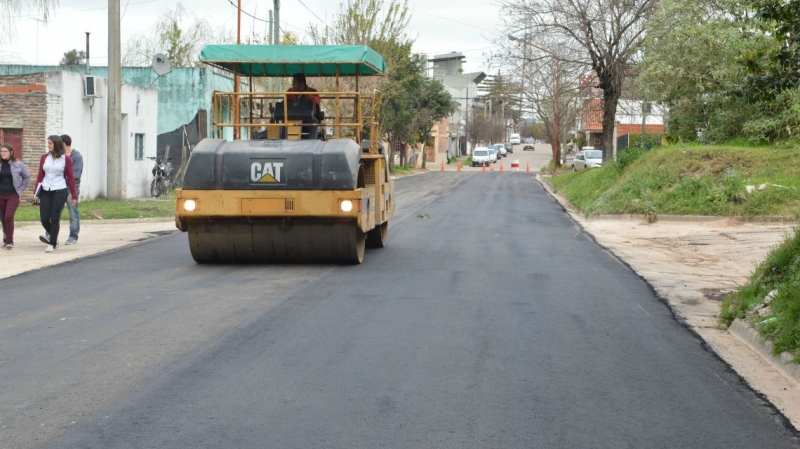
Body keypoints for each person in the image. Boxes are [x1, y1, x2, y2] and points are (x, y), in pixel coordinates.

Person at [32, 135, 78, 253]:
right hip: (45, 190)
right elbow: (40, 176)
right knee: (44, 218)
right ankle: (53, 235)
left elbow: (71, 178)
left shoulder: (66, 159)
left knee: (55, 217)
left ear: (56, 145)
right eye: (48, 143)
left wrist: (73, 196)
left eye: (50, 143)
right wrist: (35, 193)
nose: (48, 145)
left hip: (60, 190)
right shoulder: (44, 158)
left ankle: (52, 243)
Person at [0, 143, 30, 249]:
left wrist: (20, 191)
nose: (2, 153)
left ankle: (9, 241)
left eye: (5, 151)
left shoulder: (19, 164)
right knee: (3, 218)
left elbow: (26, 177)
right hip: (1, 195)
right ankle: (6, 235)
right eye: (1, 151)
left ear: (11, 152)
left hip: (13, 195)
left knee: (9, 216)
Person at [61, 134, 83, 245]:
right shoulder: (58, 156)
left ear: (63, 143)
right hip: (59, 189)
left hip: (71, 189)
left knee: (73, 214)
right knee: (54, 213)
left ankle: (73, 236)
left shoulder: (76, 157)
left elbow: (75, 175)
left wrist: (61, 176)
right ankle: (49, 234)